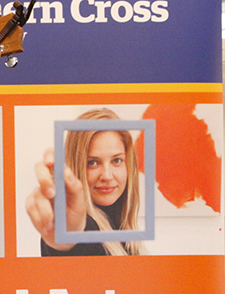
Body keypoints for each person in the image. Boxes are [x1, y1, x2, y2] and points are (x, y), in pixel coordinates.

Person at [25, 108, 145, 256]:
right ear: (76, 167)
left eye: (116, 160)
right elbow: (77, 241)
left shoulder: (124, 231)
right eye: (92, 163)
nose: (107, 176)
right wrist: (67, 234)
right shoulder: (85, 230)